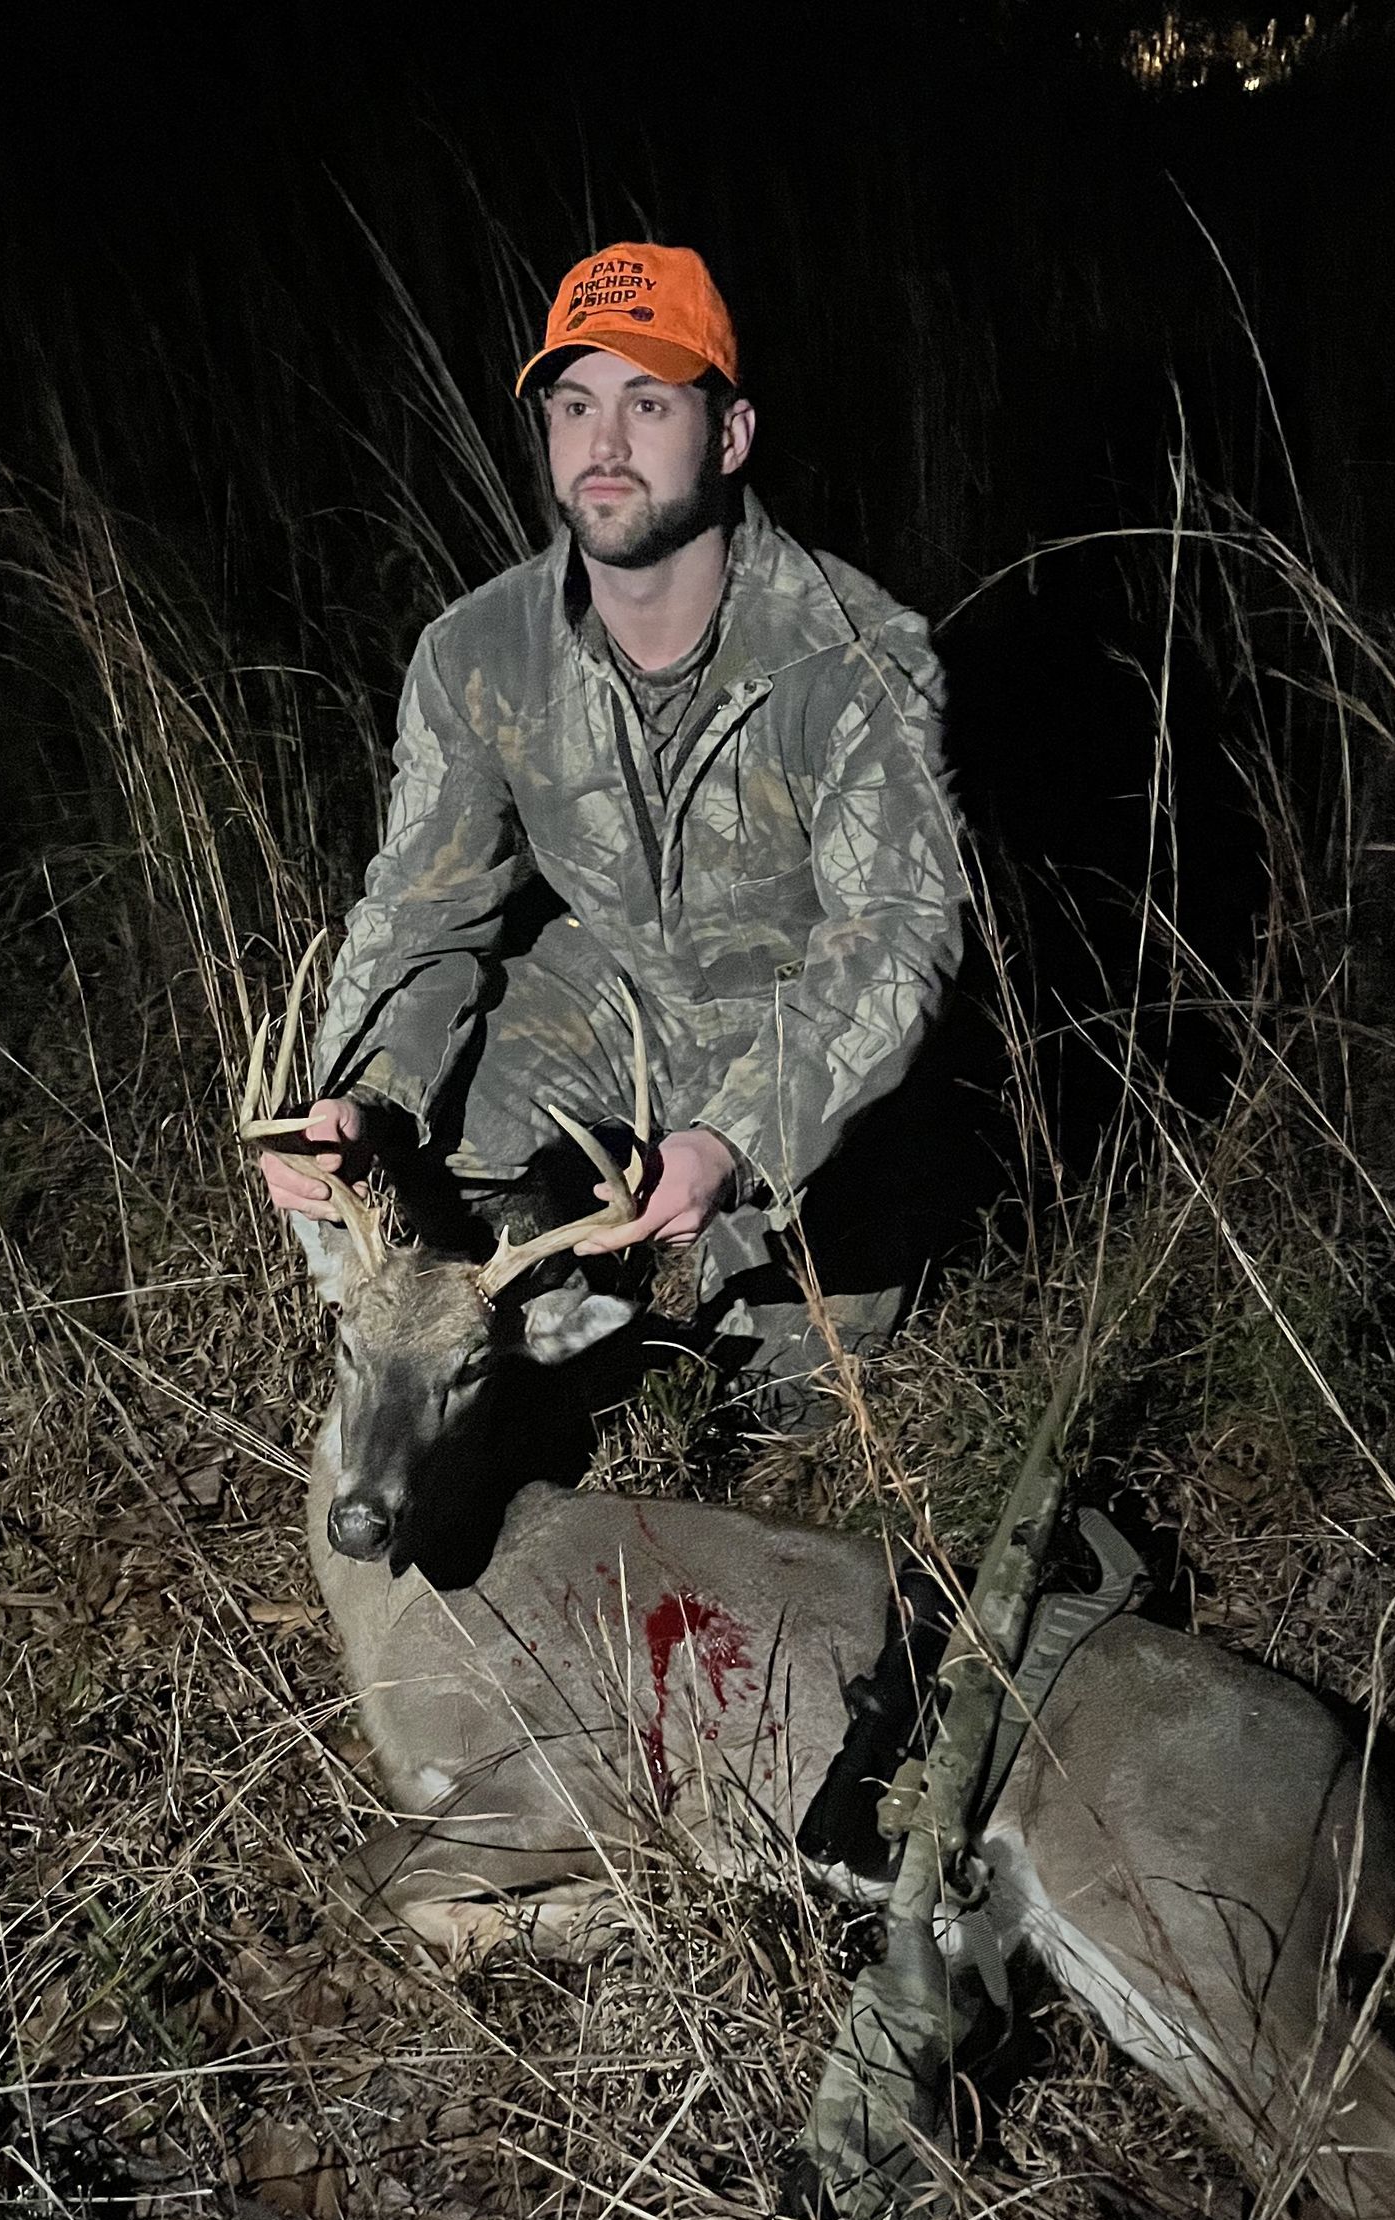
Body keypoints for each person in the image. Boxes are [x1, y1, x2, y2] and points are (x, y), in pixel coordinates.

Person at [262, 240, 966, 1421]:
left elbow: (897, 936)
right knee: (444, 1135)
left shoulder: (854, 656)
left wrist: (732, 1140)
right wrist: (358, 1100)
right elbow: (425, 907)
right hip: (624, 1003)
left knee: (786, 1393)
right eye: (575, 405)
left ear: (730, 436)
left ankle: (743, 1255)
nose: (605, 443)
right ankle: (512, 1340)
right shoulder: (480, 652)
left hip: (803, 1032)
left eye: (649, 403)